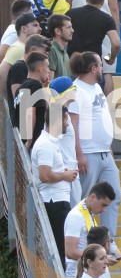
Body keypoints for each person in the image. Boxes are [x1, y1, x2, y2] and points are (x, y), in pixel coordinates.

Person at [68, 52, 121, 259]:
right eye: (100, 65)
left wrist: (107, 145)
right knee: (84, 200)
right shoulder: (75, 90)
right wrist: (79, 154)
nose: (102, 68)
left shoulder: (97, 87)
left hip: (103, 152)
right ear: (93, 68)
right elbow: (72, 125)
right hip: (88, 154)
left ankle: (109, 242)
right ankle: (81, 243)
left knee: (114, 194)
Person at [31, 103, 77, 267]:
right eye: (66, 120)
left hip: (57, 200)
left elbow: (48, 171)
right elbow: (44, 175)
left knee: (61, 247)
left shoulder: (51, 142)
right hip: (54, 202)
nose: (67, 124)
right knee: (59, 248)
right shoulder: (45, 144)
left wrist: (64, 172)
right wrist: (65, 175)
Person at [63, 182, 116, 278]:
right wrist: (101, 258)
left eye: (107, 206)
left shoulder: (88, 214)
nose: (104, 210)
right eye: (103, 205)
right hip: (76, 275)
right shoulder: (76, 216)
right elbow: (70, 252)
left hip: (88, 273)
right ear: (93, 197)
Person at [13, 51, 49, 150]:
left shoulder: (21, 88)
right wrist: (29, 142)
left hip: (21, 141)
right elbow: (30, 112)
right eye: (47, 67)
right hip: (33, 144)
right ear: (40, 68)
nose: (49, 71)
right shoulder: (35, 85)